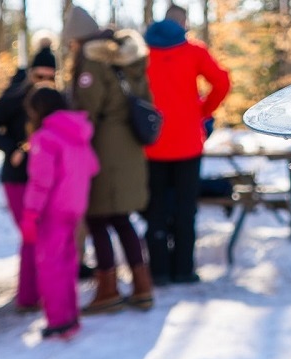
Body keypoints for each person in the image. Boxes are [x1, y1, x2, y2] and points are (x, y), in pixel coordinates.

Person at [63, 6, 154, 313]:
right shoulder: (129, 55)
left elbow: (86, 109)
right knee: (121, 217)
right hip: (130, 147)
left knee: (98, 217)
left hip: (103, 148)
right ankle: (142, 287)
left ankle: (108, 290)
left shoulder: (93, 59)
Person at [143, 5, 230, 285]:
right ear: (181, 23)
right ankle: (182, 269)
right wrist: (203, 111)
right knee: (184, 208)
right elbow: (222, 82)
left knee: (155, 208)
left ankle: (158, 271)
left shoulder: (142, 54)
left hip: (151, 145)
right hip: (188, 144)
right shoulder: (194, 51)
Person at [0, 42, 58, 310]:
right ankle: (28, 297)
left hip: (47, 180)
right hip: (18, 178)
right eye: (40, 77)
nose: (44, 83)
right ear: (31, 74)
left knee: (45, 235)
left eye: (50, 77)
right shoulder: (16, 96)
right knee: (31, 234)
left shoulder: (56, 101)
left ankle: (41, 289)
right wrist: (11, 148)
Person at [20, 87, 99, 340]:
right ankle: (70, 316)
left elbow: (41, 180)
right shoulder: (78, 133)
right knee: (68, 261)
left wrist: (31, 212)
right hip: (76, 205)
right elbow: (92, 167)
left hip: (52, 208)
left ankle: (58, 321)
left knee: (51, 264)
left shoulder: (45, 137)